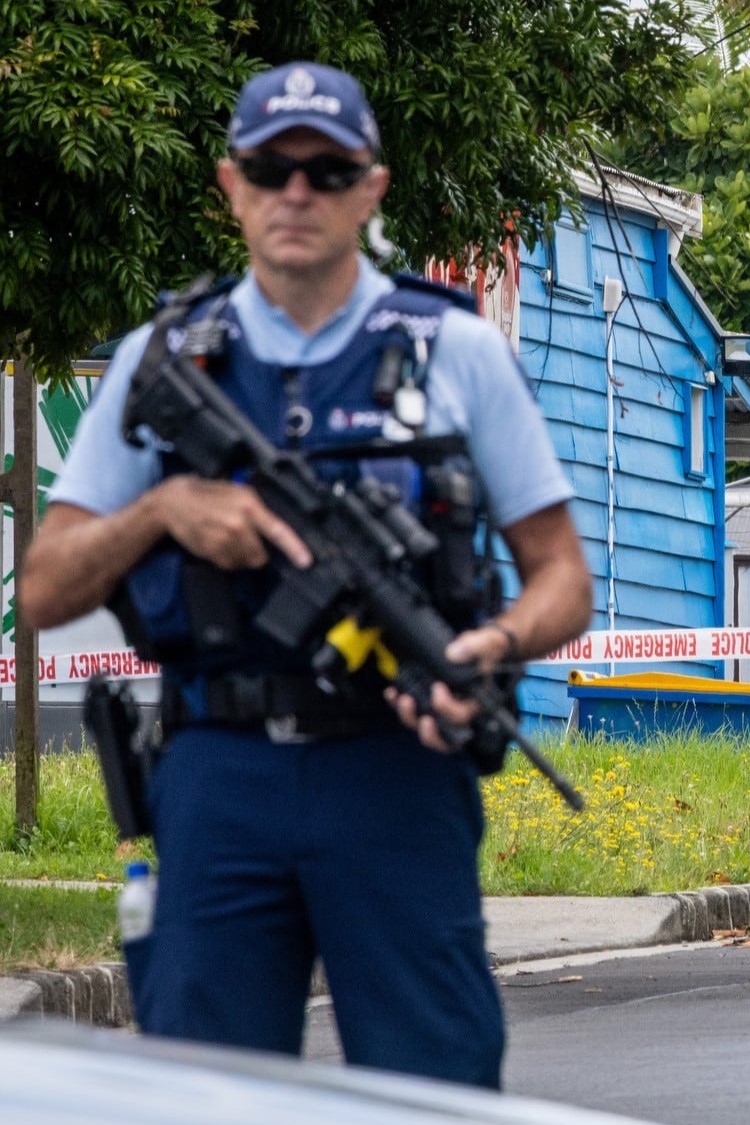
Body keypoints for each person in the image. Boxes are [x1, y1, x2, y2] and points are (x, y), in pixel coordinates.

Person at [16, 62, 592, 1090]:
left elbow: (562, 580)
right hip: (217, 772)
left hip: (397, 772)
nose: (295, 191)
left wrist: (492, 646)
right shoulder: (164, 358)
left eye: (325, 170)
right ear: (229, 185)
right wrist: (162, 509)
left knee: (434, 1086)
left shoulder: (454, 350)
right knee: (205, 1092)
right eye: (268, 167)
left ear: (370, 188)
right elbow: (46, 588)